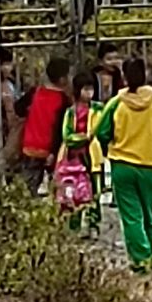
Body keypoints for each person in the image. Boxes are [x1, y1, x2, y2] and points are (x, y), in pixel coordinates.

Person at [95, 57, 152, 273]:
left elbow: (101, 131)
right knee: (150, 213)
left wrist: (111, 146)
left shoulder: (117, 102)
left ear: (124, 77)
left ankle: (141, 260)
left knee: (132, 216)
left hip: (122, 164)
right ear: (146, 76)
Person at [60, 71, 104, 237]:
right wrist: (84, 138)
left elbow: (103, 129)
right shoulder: (71, 112)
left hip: (93, 157)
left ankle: (94, 224)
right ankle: (74, 225)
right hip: (74, 158)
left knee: (95, 192)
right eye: (85, 89)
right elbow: (67, 135)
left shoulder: (99, 109)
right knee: (74, 192)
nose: (88, 93)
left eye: (91, 89)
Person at [20, 56, 72, 195]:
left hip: (29, 146)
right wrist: (54, 152)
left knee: (28, 189)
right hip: (49, 149)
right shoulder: (63, 100)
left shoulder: (35, 92)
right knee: (56, 189)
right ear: (63, 79)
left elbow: (19, 108)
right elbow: (59, 129)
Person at [0, 47, 19, 144]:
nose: (10, 67)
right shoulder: (4, 86)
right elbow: (9, 109)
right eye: (8, 64)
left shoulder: (9, 83)